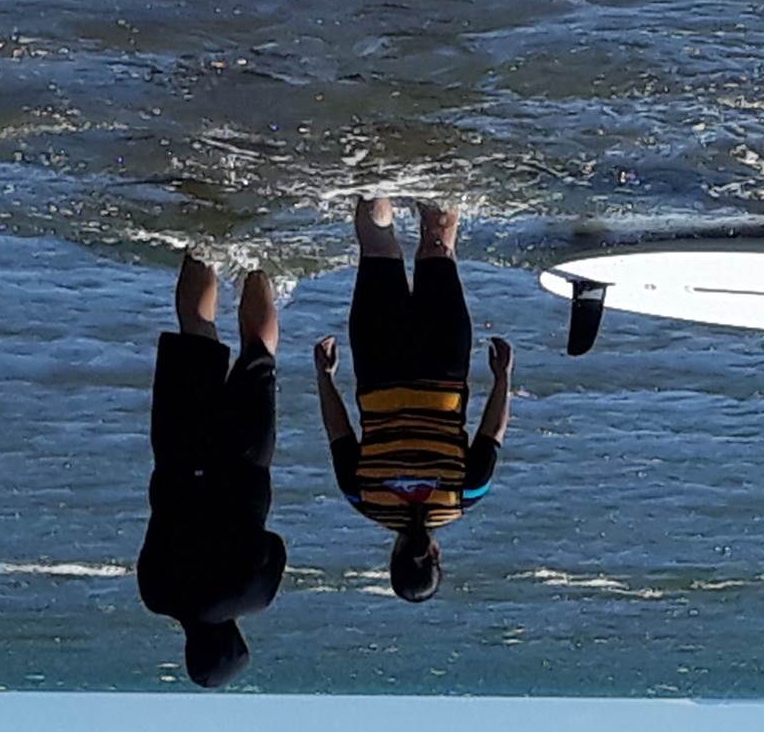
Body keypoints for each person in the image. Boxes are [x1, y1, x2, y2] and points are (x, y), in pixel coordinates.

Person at [313, 194, 513, 601]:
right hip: (379, 363)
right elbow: (338, 431)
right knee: (378, 248)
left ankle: (430, 170)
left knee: (438, 245)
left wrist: (502, 377)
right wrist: (325, 377)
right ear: (392, 557)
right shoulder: (364, 498)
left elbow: (492, 431)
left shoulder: (463, 496)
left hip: (443, 364)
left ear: (437, 555)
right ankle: (376, 172)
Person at [137, 252, 286, 688]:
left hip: (244, 461)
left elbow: (273, 547)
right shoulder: (155, 593)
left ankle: (257, 255)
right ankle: (204, 240)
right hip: (179, 453)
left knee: (258, 353)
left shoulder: (254, 596)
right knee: (196, 330)